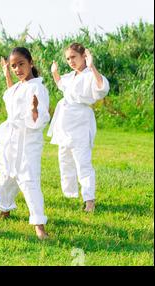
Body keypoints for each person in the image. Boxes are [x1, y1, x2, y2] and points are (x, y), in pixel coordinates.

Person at [0, 47, 50, 240]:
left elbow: (40, 116)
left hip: (28, 140)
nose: (17, 69)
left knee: (28, 179)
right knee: (7, 176)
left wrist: (35, 112)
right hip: (11, 139)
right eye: (14, 66)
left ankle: (39, 224)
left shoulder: (37, 87)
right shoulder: (18, 86)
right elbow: (11, 97)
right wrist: (6, 74)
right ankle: (5, 209)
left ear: (31, 63)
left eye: (21, 64)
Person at [48, 43, 110, 212]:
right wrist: (55, 73)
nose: (70, 61)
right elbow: (62, 85)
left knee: (82, 162)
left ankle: (89, 200)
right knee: (64, 158)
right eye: (68, 58)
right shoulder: (70, 76)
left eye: (74, 57)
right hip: (65, 122)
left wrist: (92, 67)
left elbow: (102, 89)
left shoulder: (91, 75)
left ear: (84, 56)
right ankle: (70, 194)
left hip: (80, 122)